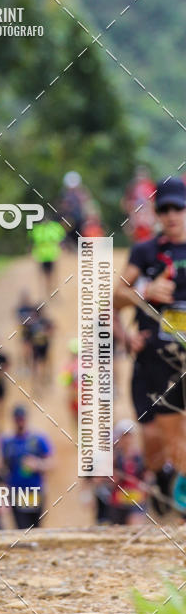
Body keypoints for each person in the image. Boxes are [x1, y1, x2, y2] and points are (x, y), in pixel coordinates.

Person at [114, 177, 186, 515]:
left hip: (180, 364)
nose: (171, 215)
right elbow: (114, 298)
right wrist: (145, 292)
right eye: (165, 209)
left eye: (178, 208)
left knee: (179, 439)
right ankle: (161, 480)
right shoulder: (145, 252)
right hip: (150, 363)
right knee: (155, 445)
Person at [0, 405, 53, 529]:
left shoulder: (38, 439)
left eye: (22, 419)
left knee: (36, 527)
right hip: (16, 492)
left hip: (35, 491)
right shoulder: (7, 442)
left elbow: (51, 462)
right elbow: (3, 468)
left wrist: (38, 464)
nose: (20, 422)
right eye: (17, 419)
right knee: (21, 528)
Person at [109, 420, 148, 526]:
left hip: (136, 500)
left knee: (135, 527)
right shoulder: (114, 457)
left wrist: (146, 484)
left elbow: (147, 476)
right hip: (118, 502)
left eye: (129, 435)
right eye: (124, 436)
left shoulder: (140, 457)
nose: (127, 439)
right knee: (119, 533)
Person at [29, 212, 65, 300]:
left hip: (51, 255)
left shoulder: (53, 227)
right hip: (42, 255)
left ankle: (53, 292)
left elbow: (61, 238)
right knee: (45, 275)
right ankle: (46, 293)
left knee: (52, 274)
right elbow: (33, 241)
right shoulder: (37, 229)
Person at [122, 166, 156, 243]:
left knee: (150, 233)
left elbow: (154, 202)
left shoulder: (151, 186)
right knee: (131, 230)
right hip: (136, 213)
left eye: (143, 175)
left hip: (147, 214)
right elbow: (126, 202)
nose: (141, 177)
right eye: (139, 175)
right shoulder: (132, 187)